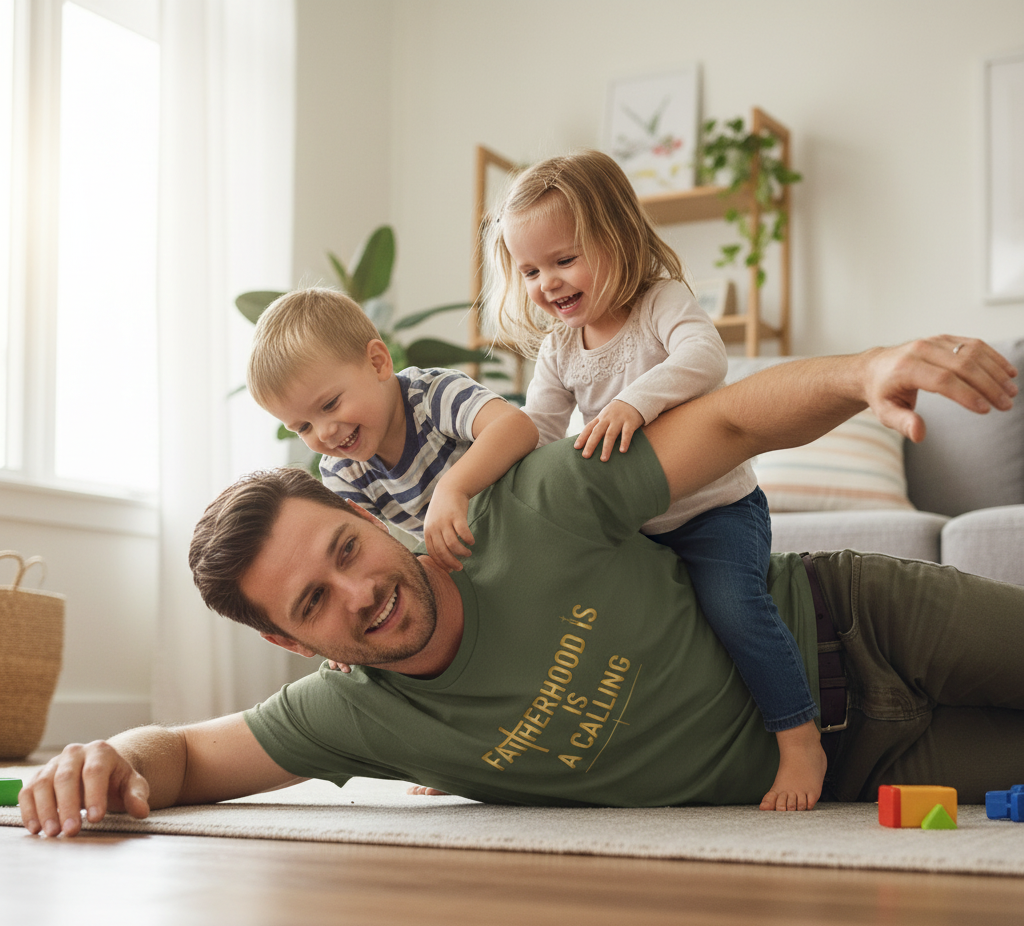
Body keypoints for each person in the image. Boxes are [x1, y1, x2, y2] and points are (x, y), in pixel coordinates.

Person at [17, 336, 1023, 838]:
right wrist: (107, 761)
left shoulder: (528, 505)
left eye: (343, 550)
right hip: (854, 776)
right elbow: (187, 755)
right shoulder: (355, 714)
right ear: (291, 641)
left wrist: (865, 371)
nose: (356, 592)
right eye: (312, 602)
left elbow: (728, 425)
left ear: (369, 515)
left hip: (867, 624)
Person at [486, 150, 822, 811]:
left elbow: (707, 355)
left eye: (563, 260)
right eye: (529, 270)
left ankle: (799, 738)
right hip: (634, 526)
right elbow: (543, 432)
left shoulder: (659, 303)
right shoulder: (558, 349)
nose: (547, 283)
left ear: (618, 237)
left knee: (732, 606)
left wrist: (635, 402)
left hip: (716, 512)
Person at [246, 287, 538, 570]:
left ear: (377, 363)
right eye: (304, 426)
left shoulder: (431, 396)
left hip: (531, 519)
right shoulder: (342, 472)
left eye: (330, 404)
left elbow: (516, 427)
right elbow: (369, 548)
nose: (323, 433)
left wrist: (454, 487)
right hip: (484, 563)